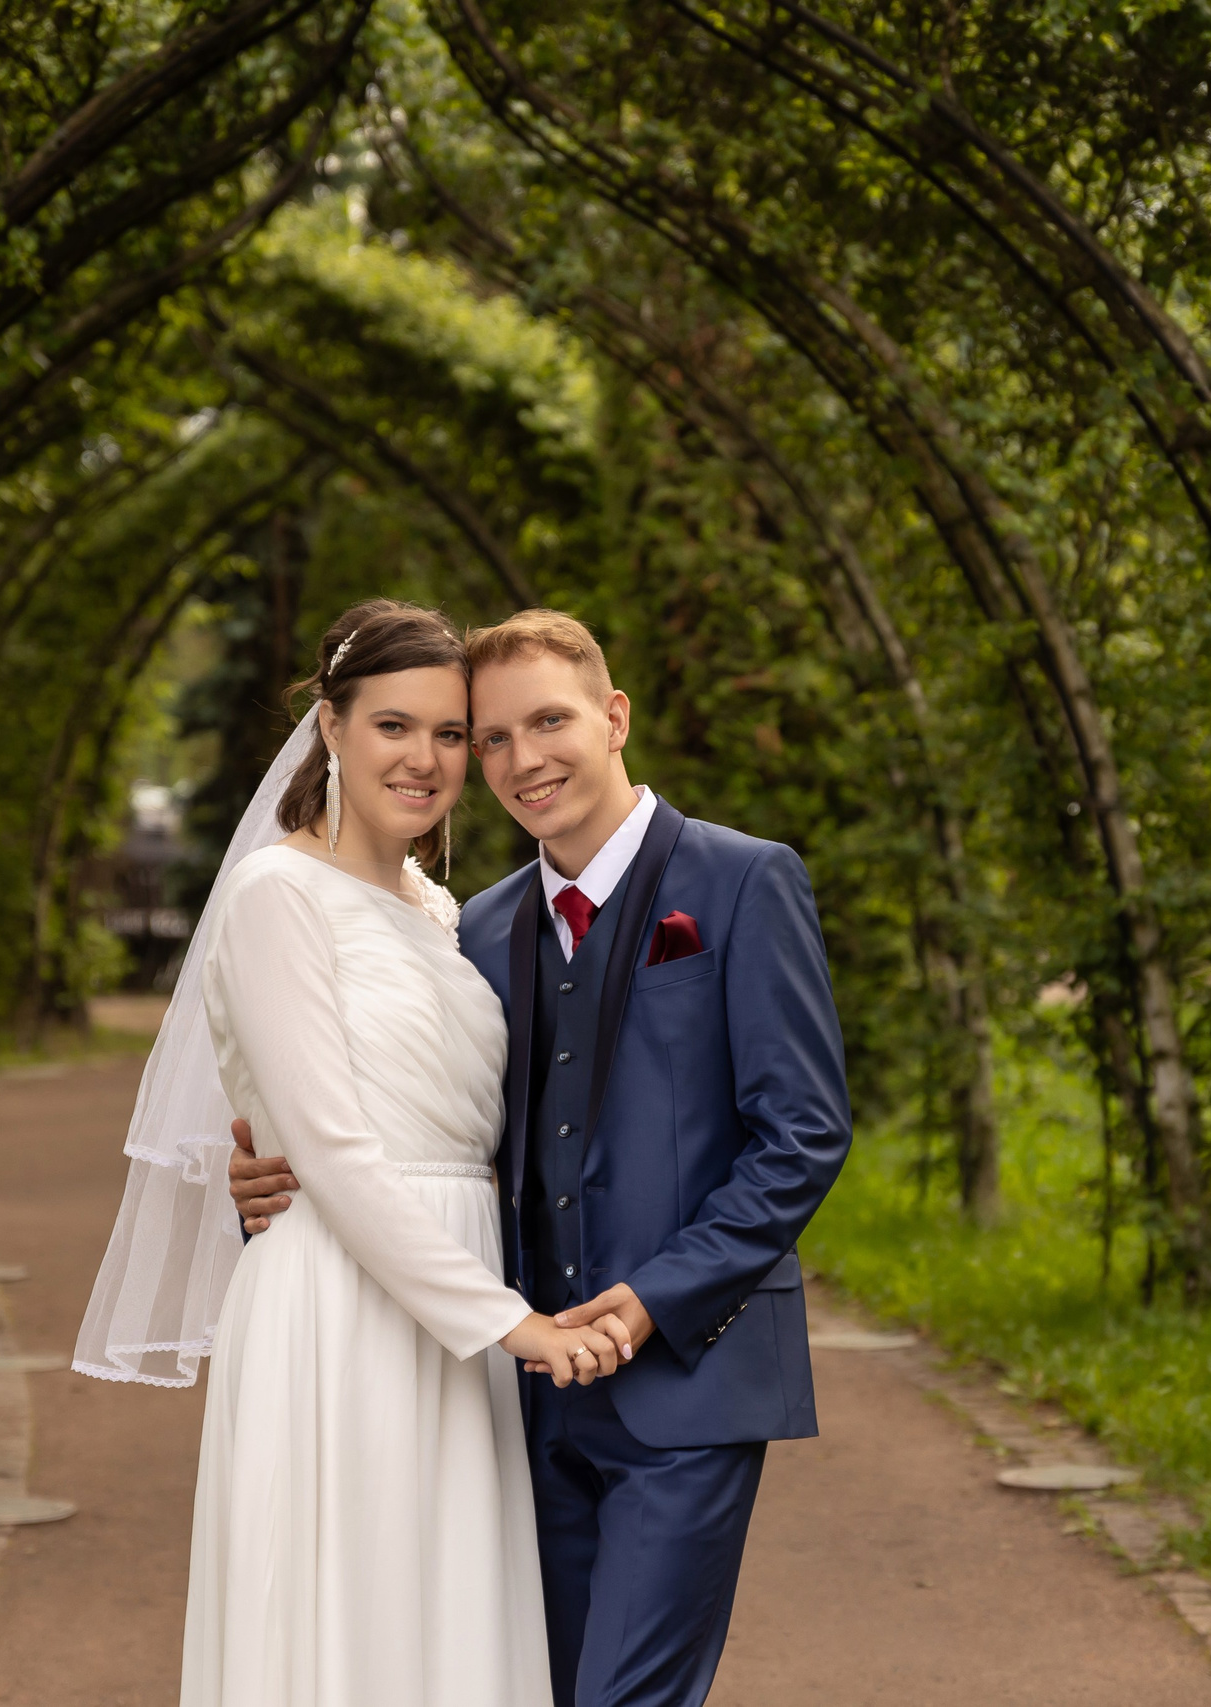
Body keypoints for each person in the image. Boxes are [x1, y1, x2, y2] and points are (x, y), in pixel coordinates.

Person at [232, 609, 852, 1707]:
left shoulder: (744, 882)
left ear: (612, 719)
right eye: (495, 737)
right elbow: (413, 1110)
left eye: (547, 722)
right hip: (513, 1394)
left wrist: (651, 1301)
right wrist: (266, 1175)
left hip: (689, 1377)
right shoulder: (475, 926)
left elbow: (802, 1133)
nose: (522, 760)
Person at [72, 600, 622, 1707]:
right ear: (329, 726)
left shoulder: (438, 908)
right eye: (393, 726)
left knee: (447, 1624)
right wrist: (510, 1324)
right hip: (342, 1305)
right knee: (343, 1628)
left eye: (453, 734)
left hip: (454, 1307)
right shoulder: (277, 895)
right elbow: (329, 1149)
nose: (426, 759)